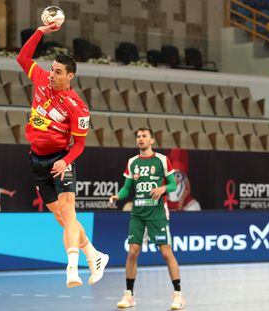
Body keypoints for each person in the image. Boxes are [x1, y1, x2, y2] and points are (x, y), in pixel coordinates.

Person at [16, 22, 109, 288]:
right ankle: (94, 255)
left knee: (69, 213)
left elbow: (79, 146)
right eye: (52, 70)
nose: (52, 74)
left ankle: (71, 269)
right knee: (61, 218)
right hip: (36, 160)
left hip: (60, 160)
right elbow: (22, 58)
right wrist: (40, 32)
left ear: (70, 76)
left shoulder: (78, 107)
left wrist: (65, 161)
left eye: (58, 72)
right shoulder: (41, 79)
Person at [109, 128, 185, 310]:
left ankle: (178, 295)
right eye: (138, 137)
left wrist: (162, 189)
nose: (140, 139)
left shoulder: (161, 160)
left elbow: (173, 184)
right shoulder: (132, 162)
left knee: (166, 253)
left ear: (152, 140)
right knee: (133, 252)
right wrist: (118, 196)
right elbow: (127, 188)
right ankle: (129, 295)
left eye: (144, 136)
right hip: (138, 213)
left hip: (157, 213)